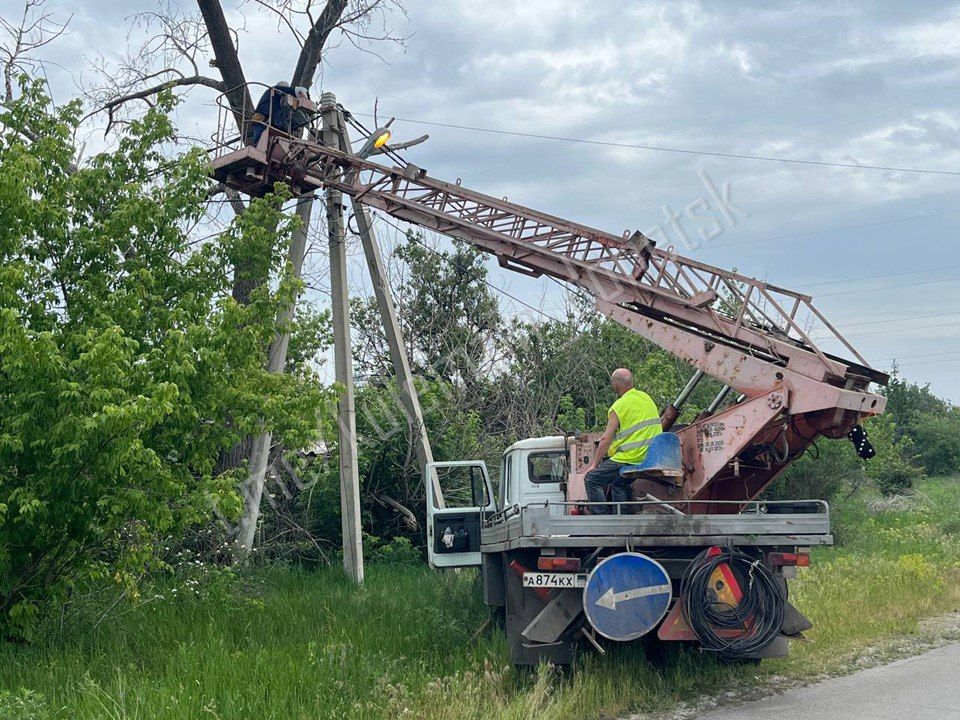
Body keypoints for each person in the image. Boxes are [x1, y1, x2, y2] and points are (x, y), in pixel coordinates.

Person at [583, 368, 662, 514]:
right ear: (631, 382)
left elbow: (606, 439)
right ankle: (623, 519)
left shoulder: (618, 406)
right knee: (618, 483)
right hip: (652, 456)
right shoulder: (646, 397)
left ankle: (602, 521)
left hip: (631, 457)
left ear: (614, 385)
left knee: (591, 478)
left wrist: (594, 464)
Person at [248, 82, 311, 146]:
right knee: (260, 142)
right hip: (262, 120)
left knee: (265, 144)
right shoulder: (275, 90)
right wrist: (308, 103)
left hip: (263, 120)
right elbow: (300, 90)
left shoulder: (275, 100)